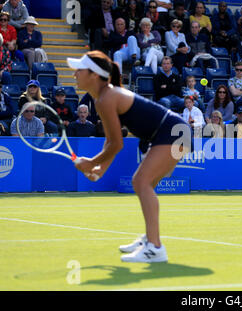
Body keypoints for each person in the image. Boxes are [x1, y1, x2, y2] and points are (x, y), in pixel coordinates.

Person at [68, 50, 190, 263]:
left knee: (140, 182)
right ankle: (150, 239)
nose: (74, 74)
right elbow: (110, 142)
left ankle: (155, 248)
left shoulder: (106, 98)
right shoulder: (103, 98)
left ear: (94, 75)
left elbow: (117, 144)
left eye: (79, 70)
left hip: (174, 132)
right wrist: (99, 171)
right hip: (169, 132)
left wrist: (91, 163)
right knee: (145, 185)